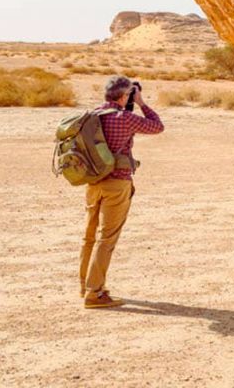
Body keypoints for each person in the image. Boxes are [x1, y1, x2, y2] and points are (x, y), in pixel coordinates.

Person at [79, 75, 164, 309]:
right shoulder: (124, 118)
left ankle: (86, 285)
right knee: (107, 238)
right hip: (117, 184)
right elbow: (157, 127)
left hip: (93, 183)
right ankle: (94, 293)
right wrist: (141, 103)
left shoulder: (91, 116)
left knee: (89, 237)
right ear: (124, 96)